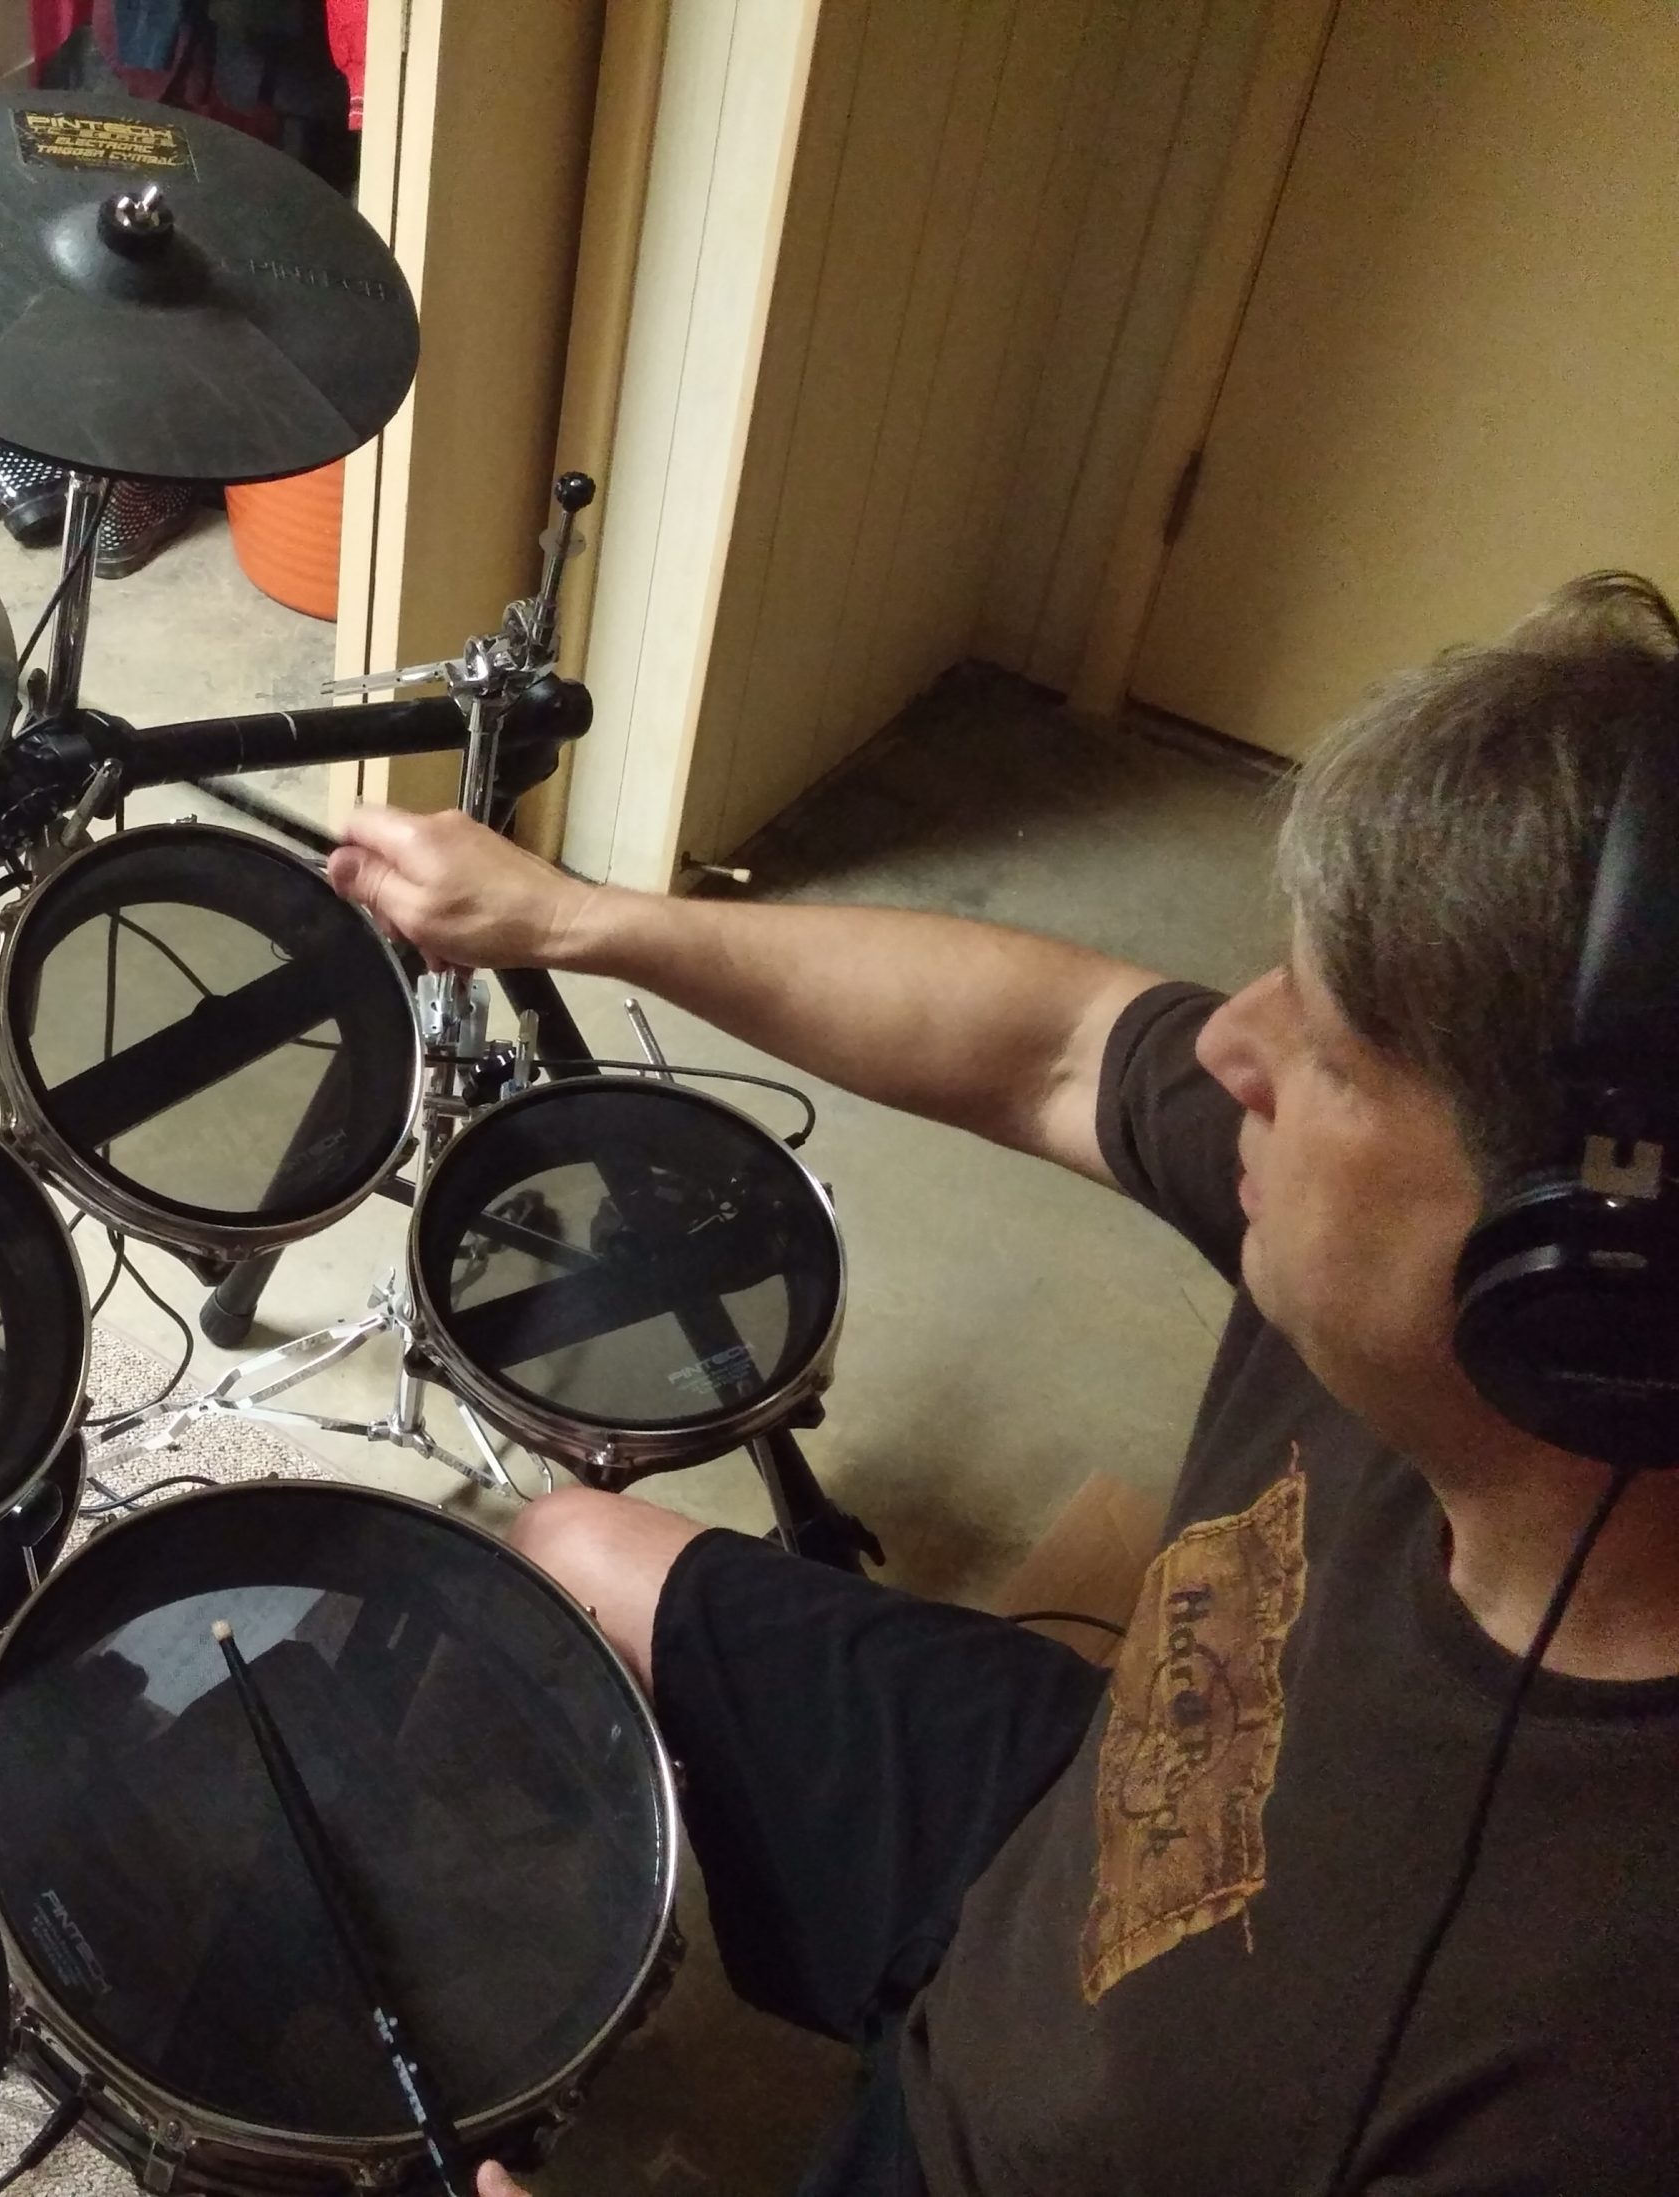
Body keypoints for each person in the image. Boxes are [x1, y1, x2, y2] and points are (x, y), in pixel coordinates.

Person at [323, 573, 1679, 2196]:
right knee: (566, 1554)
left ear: (1577, 1262)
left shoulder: (1587, 2063)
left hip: (995, 2151)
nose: (1231, 1047)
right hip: (1075, 1823)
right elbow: (1063, 1040)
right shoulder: (1399, 1280)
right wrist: (567, 917)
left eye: (1329, 1052)